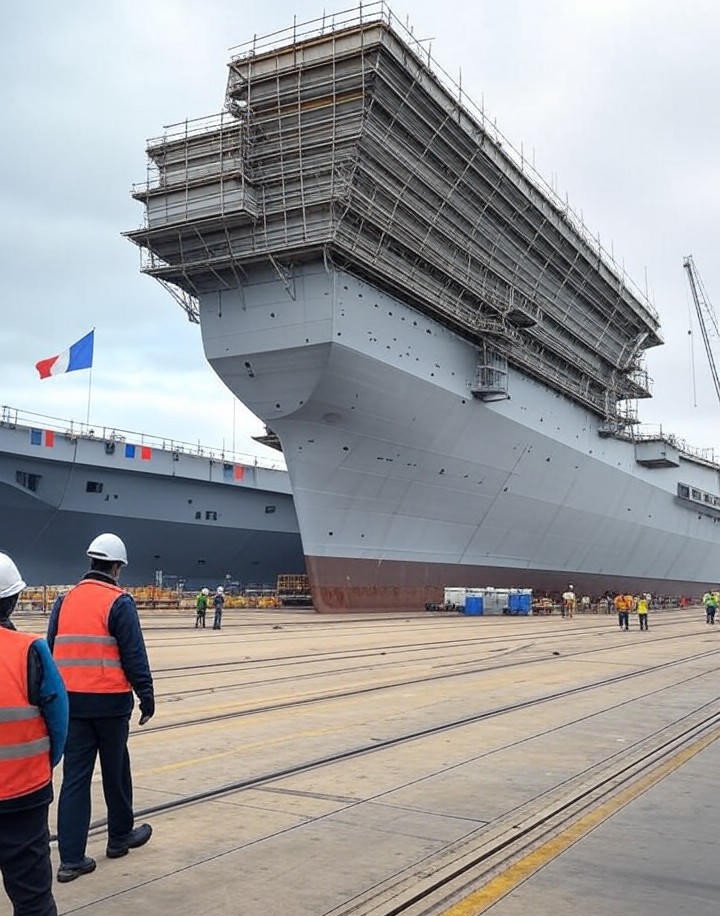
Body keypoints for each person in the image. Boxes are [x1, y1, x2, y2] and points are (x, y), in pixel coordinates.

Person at [47, 533, 155, 883]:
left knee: (75, 779)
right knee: (116, 770)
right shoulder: (119, 602)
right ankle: (119, 837)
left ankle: (70, 860)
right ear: (117, 567)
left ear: (91, 562)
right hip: (110, 704)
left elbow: (51, 650)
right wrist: (146, 694)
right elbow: (134, 654)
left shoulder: (64, 601)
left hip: (72, 705)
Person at [0, 552, 68, 916]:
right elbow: (59, 719)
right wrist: (42, 764)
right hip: (22, 796)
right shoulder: (30, 650)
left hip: (23, 792)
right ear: (13, 600)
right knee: (33, 901)